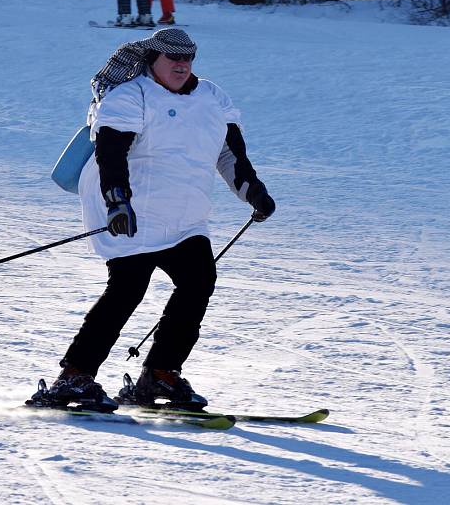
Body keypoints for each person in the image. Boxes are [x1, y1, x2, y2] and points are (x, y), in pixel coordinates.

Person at [37, 28, 276, 411]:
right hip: (129, 212)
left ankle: (160, 374)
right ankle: (75, 377)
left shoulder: (212, 98)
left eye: (188, 60)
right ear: (153, 60)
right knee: (128, 289)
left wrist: (253, 192)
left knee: (199, 282)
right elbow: (110, 155)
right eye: (173, 60)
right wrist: (117, 202)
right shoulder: (130, 96)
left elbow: (230, 155)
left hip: (184, 216)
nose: (181, 66)